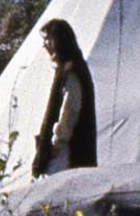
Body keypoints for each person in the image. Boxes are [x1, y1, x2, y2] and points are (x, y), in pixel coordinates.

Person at [30, 18, 96, 177]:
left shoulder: (72, 71)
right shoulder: (68, 69)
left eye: (47, 39)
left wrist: (57, 142)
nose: (45, 45)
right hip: (65, 150)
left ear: (57, 40)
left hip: (68, 152)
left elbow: (70, 109)